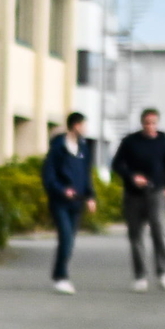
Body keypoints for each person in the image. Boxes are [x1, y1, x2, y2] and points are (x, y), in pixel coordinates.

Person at [111, 109, 165, 292]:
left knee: (159, 231)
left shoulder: (163, 139)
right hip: (133, 195)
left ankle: (163, 273)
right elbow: (116, 164)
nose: (150, 126)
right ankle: (140, 276)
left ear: (157, 123)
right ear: (142, 123)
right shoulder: (130, 141)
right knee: (136, 236)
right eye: (147, 123)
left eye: (153, 123)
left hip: (156, 193)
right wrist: (132, 176)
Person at [41, 113, 98, 294]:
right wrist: (61, 189)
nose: (86, 129)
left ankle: (59, 273)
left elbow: (85, 174)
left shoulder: (83, 148)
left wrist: (90, 196)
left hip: (77, 202)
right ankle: (61, 277)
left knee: (70, 241)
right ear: (75, 125)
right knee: (65, 238)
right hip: (60, 202)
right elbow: (48, 175)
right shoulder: (58, 147)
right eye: (83, 125)